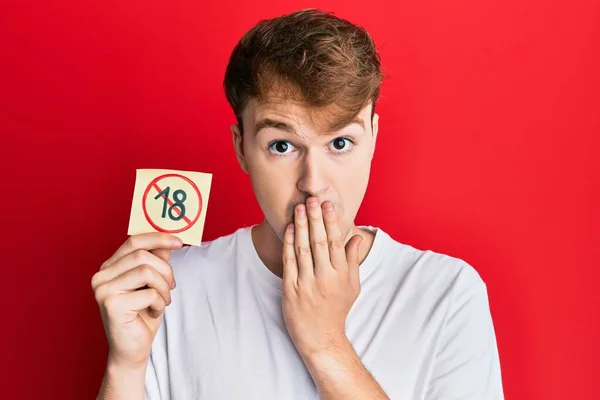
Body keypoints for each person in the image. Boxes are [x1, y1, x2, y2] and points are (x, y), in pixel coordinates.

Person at [92, 8, 504, 400]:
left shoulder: (447, 294)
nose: (314, 183)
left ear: (374, 138)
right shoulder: (168, 289)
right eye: (283, 145)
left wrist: (326, 345)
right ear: (241, 148)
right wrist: (125, 366)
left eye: (340, 143)